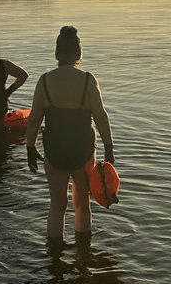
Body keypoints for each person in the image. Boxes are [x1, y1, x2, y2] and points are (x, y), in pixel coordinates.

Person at [25, 26, 115, 244]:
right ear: (79, 53)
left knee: (57, 206)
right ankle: (84, 254)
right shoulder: (87, 80)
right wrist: (109, 148)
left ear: (57, 53)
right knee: (82, 204)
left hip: (54, 151)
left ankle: (54, 256)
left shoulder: (45, 81)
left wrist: (30, 147)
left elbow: (34, 119)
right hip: (83, 151)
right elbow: (101, 116)